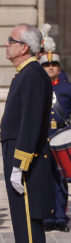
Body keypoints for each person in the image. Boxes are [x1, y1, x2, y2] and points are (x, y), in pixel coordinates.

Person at [0, 24, 53, 243]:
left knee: (29, 232)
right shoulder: (25, 73)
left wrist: (18, 165)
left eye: (10, 40)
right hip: (21, 161)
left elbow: (30, 123)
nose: (6, 45)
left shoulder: (31, 74)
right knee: (23, 231)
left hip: (27, 166)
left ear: (23, 47)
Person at [39, 40, 71, 232]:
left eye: (54, 65)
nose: (50, 67)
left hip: (62, 136)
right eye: (46, 65)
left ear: (59, 68)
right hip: (43, 137)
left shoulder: (67, 88)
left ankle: (60, 217)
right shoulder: (37, 87)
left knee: (61, 179)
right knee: (44, 178)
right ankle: (47, 217)